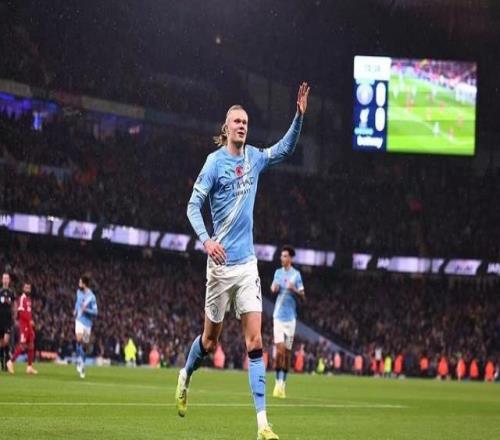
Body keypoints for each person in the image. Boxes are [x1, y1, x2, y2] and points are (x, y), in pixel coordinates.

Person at [176, 82, 310, 440]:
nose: (242, 126)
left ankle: (263, 423)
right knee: (209, 343)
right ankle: (185, 375)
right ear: (226, 127)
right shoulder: (214, 163)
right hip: (220, 268)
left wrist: (298, 117)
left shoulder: (254, 158)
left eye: (246, 122)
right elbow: (192, 206)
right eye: (236, 121)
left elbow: (285, 149)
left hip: (247, 266)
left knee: (255, 343)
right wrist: (206, 241)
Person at [270, 245, 305, 398]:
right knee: (280, 350)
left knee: (288, 352)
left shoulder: (296, 275)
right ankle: (277, 383)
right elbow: (273, 287)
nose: (282, 258)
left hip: (291, 320)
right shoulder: (278, 272)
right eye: (281, 256)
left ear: (290, 258)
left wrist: (294, 289)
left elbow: (303, 297)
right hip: (278, 317)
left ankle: (283, 384)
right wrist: (274, 288)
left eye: (284, 256)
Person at [7, 282, 37, 374]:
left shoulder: (29, 299)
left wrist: (30, 320)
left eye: (29, 288)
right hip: (24, 325)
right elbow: (20, 312)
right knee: (22, 345)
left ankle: (29, 367)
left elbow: (28, 312)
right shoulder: (22, 298)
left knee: (31, 344)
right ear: (23, 289)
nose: (28, 289)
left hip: (29, 325)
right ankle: (10, 362)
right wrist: (29, 320)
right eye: (26, 287)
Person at [74, 274, 98, 379]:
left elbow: (95, 312)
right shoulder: (78, 292)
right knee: (79, 339)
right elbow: (77, 303)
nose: (78, 284)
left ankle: (82, 365)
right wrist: (75, 310)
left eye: (80, 282)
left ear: (84, 284)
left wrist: (86, 310)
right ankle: (79, 359)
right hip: (79, 320)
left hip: (87, 323)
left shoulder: (92, 297)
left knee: (84, 346)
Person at [0, 272, 15, 372]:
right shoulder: (0, 291)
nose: (5, 280)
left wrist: (14, 315)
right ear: (2, 280)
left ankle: (6, 360)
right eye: (4, 278)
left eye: (7, 278)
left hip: (8, 320)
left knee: (5, 341)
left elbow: (14, 305)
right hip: (0, 319)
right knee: (2, 342)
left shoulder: (11, 292)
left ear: (9, 280)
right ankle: (4, 362)